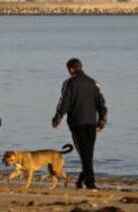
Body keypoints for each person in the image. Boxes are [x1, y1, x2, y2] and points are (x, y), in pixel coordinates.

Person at [52, 58, 107, 190]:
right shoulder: (94, 82)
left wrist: (57, 118)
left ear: (71, 69)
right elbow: (101, 103)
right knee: (88, 153)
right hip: (91, 122)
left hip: (77, 123)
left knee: (85, 154)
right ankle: (82, 181)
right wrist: (102, 120)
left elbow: (64, 102)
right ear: (81, 67)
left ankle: (90, 183)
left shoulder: (69, 83)